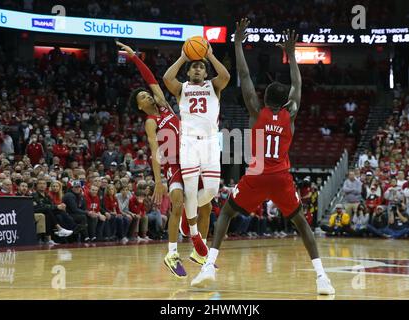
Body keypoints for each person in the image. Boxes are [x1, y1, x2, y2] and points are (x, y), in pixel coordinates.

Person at [191, 20, 335, 295]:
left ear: (265, 96)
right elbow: (298, 84)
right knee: (301, 223)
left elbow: (244, 76)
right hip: (281, 177)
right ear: (285, 102)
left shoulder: (256, 111)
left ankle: (209, 265)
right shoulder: (290, 114)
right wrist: (291, 54)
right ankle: (322, 277)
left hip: (256, 176)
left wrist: (236, 44)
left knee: (227, 215)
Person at [117, 41, 212, 278]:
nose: (147, 95)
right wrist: (159, 181)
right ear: (140, 106)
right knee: (178, 203)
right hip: (173, 164)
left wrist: (135, 57)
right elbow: (155, 152)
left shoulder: (166, 108)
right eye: (143, 96)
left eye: (146, 93)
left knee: (207, 206)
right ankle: (172, 253)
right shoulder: (150, 122)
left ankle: (200, 252)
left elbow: (152, 80)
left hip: (192, 159)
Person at [163, 34, 230, 264]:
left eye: (202, 67)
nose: (199, 70)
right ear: (189, 73)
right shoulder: (181, 88)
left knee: (211, 191)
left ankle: (186, 213)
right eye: (195, 68)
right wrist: (183, 57)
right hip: (189, 141)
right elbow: (166, 78)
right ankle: (194, 235)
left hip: (211, 141)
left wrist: (209, 54)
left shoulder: (215, 86)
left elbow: (226, 75)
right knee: (190, 191)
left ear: (206, 71)